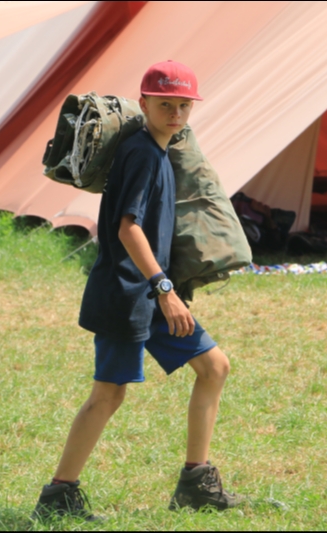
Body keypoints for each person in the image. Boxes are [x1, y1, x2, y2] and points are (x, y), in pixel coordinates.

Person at [32, 60, 241, 521]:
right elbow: (128, 228)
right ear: (144, 104)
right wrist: (164, 287)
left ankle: (196, 484)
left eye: (183, 105)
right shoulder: (142, 153)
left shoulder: (159, 150)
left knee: (214, 367)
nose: (176, 114)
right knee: (108, 396)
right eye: (165, 105)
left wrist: (163, 290)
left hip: (150, 295)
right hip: (128, 295)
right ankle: (58, 497)